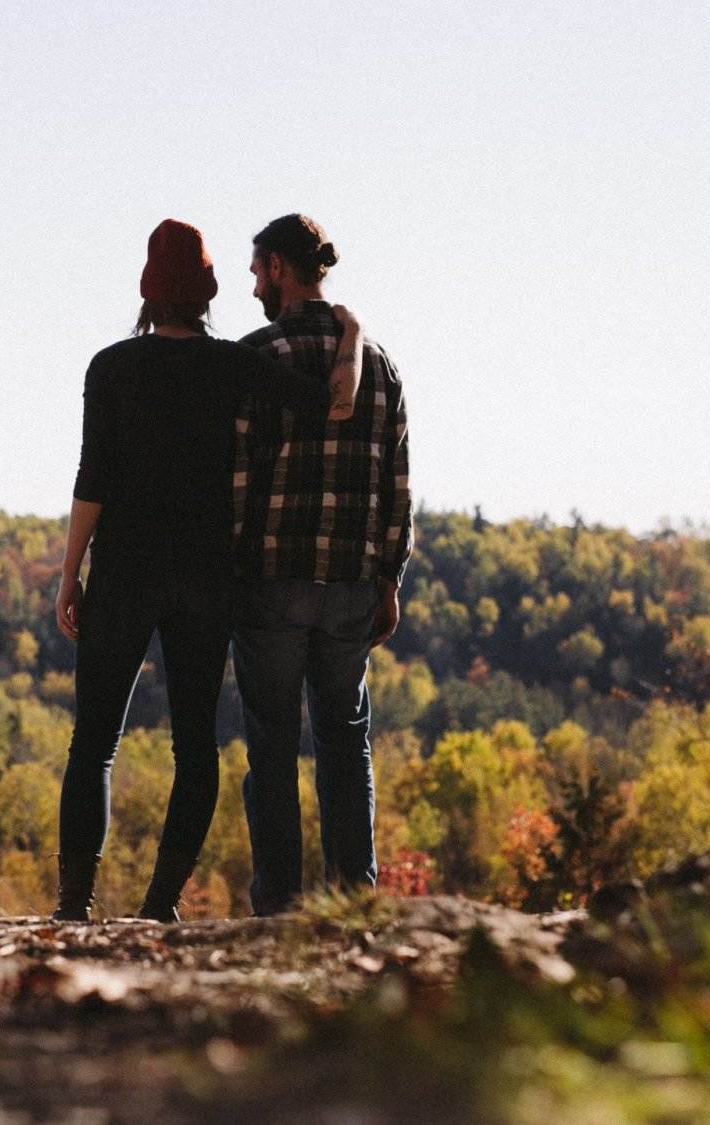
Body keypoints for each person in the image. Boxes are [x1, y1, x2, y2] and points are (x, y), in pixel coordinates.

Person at [52, 218, 364, 923]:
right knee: (195, 747)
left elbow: (91, 478)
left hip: (125, 572)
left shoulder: (110, 368)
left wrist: (70, 574)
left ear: (146, 292)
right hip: (204, 578)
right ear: (209, 292)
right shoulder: (232, 365)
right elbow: (335, 403)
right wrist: (351, 332)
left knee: (93, 741)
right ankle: (159, 903)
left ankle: (74, 905)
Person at [231, 214, 411, 916]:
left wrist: (233, 569)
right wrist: (389, 576)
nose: (252, 286)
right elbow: (397, 483)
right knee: (345, 741)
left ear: (278, 266)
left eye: (255, 272)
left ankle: (279, 903)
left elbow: (238, 481)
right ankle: (351, 899)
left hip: (272, 582)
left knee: (271, 745)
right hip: (348, 585)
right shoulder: (380, 367)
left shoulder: (257, 356)